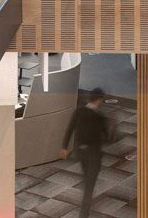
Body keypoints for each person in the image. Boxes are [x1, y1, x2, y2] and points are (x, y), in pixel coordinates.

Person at [59, 88, 113, 218]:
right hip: (93, 155)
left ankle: (84, 211)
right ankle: (83, 214)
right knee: (89, 187)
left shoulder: (78, 111)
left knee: (87, 180)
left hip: (80, 153)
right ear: (99, 100)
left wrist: (64, 147)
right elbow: (107, 138)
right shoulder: (99, 117)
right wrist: (111, 128)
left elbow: (70, 128)